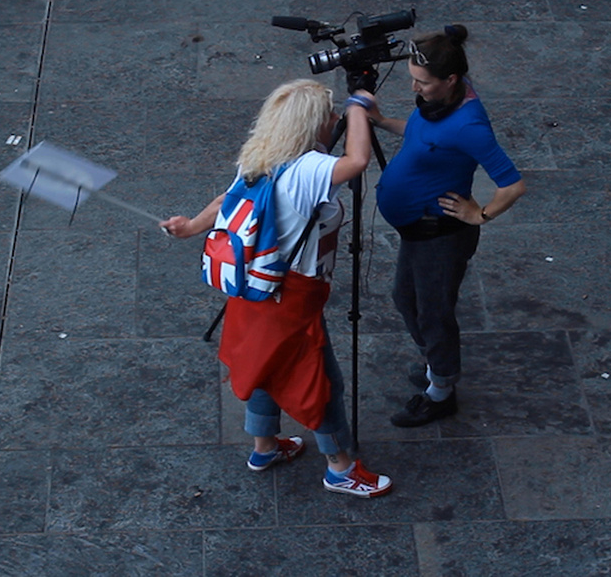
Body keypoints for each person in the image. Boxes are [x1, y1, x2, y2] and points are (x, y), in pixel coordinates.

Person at [161, 79, 392, 498]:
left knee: (262, 365)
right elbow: (357, 160)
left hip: (253, 292)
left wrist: (191, 227)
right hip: (292, 297)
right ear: (311, 125)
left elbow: (224, 202)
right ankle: (340, 469)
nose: (336, 119)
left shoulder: (260, 156)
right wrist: (359, 107)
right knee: (319, 381)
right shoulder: (308, 169)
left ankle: (264, 448)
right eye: (330, 115)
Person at [362, 25, 526, 428]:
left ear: (451, 80)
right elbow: (421, 132)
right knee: (406, 299)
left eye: (423, 83)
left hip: (440, 235)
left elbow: (513, 183)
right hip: (417, 229)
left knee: (433, 313)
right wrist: (382, 121)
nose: (417, 90)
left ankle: (441, 390)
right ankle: (437, 362)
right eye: (414, 81)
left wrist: (481, 214)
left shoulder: (468, 126)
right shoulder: (441, 103)